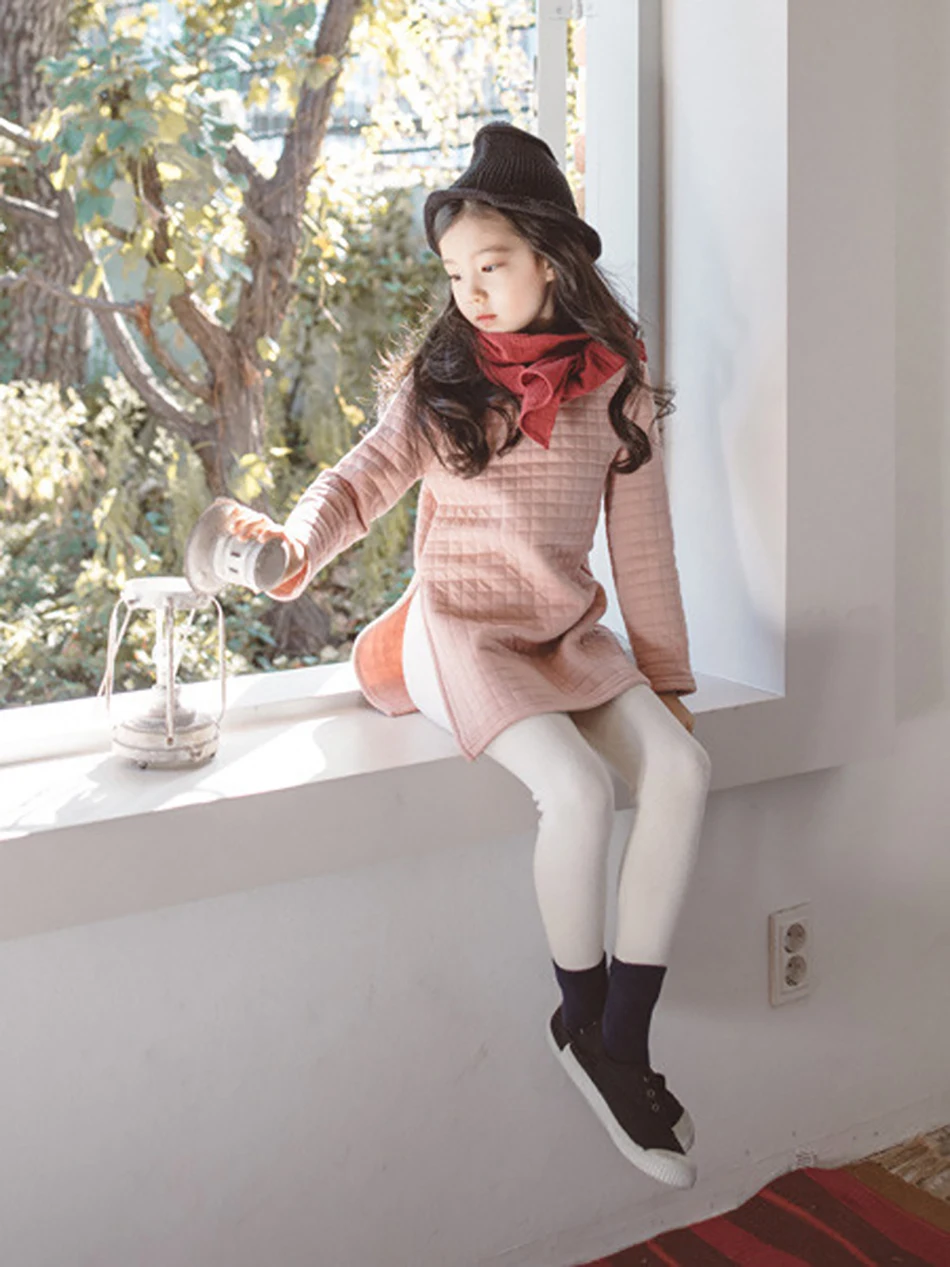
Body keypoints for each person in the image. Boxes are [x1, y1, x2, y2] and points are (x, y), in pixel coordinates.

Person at [222, 123, 712, 1190]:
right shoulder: (440, 382)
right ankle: (581, 1020)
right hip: (458, 628)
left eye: (491, 265)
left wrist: (667, 681)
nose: (472, 292)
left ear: (550, 259)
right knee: (576, 792)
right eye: (455, 274)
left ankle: (621, 1041)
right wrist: (294, 548)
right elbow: (356, 481)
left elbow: (643, 550)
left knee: (681, 768)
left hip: (564, 630)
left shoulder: (616, 387)